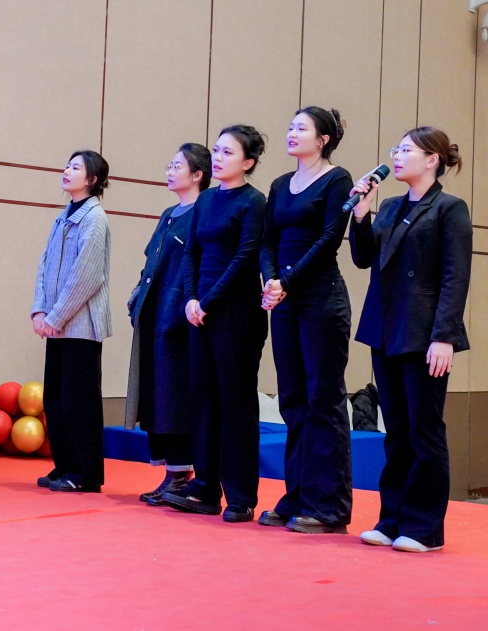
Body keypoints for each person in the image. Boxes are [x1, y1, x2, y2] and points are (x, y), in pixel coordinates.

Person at [347, 126, 472, 553]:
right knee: (396, 430)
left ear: (432, 159)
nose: (396, 157)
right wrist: (360, 215)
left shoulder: (449, 209)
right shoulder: (388, 207)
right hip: (386, 329)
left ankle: (424, 528)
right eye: (395, 150)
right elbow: (364, 258)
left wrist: (445, 337)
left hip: (425, 334)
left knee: (424, 430)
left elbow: (456, 277)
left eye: (405, 150)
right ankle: (392, 519)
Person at [161, 125, 269, 523]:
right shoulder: (206, 200)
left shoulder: (253, 201)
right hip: (199, 311)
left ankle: (240, 496)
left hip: (236, 313)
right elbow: (191, 253)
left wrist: (207, 301)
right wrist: (191, 298)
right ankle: (205, 488)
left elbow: (245, 259)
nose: (218, 158)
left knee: (235, 403)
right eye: (217, 151)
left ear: (248, 162)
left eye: (228, 152)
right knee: (202, 398)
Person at [259, 106, 354, 534]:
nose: (292, 133)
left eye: (302, 128)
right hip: (285, 300)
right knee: (293, 401)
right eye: (290, 126)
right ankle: (296, 496)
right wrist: (270, 280)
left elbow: (330, 238)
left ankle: (328, 507)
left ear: (323, 139)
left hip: (320, 299)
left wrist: (287, 281)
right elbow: (267, 240)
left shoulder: (337, 180)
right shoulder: (280, 185)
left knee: (323, 400)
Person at [123, 142, 211, 504]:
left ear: (197, 175)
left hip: (178, 317)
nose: (170, 171)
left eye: (178, 166)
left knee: (174, 394)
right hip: (154, 312)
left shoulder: (203, 213)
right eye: (169, 165)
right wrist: (136, 295)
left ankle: (181, 472)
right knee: (155, 393)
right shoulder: (168, 214)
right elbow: (151, 261)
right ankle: (171, 473)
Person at [32, 149, 112, 493]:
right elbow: (44, 265)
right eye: (67, 165)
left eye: (76, 167)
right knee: (56, 399)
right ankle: (64, 465)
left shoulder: (95, 219)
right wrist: (40, 311)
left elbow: (87, 276)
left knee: (80, 402)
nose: (67, 171)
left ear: (92, 180)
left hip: (80, 326)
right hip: (56, 324)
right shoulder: (63, 217)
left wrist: (56, 316)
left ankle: (85, 474)